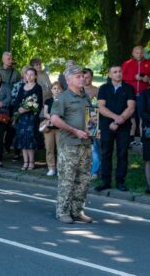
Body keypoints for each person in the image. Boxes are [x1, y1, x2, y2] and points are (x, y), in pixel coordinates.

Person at [50, 65, 94, 224]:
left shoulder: (86, 97)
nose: (82, 78)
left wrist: (95, 131)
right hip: (69, 144)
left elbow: (90, 118)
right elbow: (54, 119)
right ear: (69, 80)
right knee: (67, 180)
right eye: (78, 76)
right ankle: (62, 211)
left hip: (85, 144)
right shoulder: (63, 97)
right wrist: (74, 131)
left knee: (83, 180)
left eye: (83, 75)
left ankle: (77, 211)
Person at [94, 65, 136, 192]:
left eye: (120, 71)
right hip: (106, 126)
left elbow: (131, 108)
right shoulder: (103, 88)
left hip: (124, 127)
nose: (118, 74)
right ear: (110, 74)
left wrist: (118, 121)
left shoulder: (129, 88)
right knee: (106, 153)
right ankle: (105, 181)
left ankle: (120, 182)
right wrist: (115, 118)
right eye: (115, 72)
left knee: (122, 154)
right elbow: (101, 107)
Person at [122, 46, 150, 146]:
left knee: (143, 117)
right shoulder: (127, 64)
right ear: (133, 53)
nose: (139, 54)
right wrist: (134, 77)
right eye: (137, 53)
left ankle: (143, 139)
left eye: (141, 53)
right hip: (130, 95)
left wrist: (148, 80)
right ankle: (131, 139)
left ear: (143, 53)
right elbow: (121, 76)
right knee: (131, 117)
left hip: (144, 95)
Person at [12, 67, 43, 170]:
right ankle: (25, 161)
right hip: (22, 118)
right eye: (27, 74)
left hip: (31, 118)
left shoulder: (37, 87)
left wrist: (27, 109)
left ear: (35, 76)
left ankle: (31, 162)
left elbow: (38, 103)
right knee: (22, 139)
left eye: (31, 74)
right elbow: (17, 101)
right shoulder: (22, 86)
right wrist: (19, 109)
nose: (29, 76)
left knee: (30, 139)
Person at [82, 68, 100, 177]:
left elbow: (101, 106)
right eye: (82, 77)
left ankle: (94, 171)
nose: (84, 79)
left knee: (94, 148)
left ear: (92, 77)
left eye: (87, 77)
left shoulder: (96, 90)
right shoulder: (76, 89)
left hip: (92, 121)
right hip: (78, 122)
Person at [42, 82, 63, 176]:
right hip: (49, 126)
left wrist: (57, 119)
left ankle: (60, 168)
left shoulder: (64, 100)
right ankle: (51, 168)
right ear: (51, 90)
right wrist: (51, 119)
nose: (56, 90)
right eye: (54, 88)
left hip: (60, 127)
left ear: (62, 90)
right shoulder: (48, 100)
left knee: (60, 149)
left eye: (58, 88)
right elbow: (45, 113)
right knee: (49, 148)